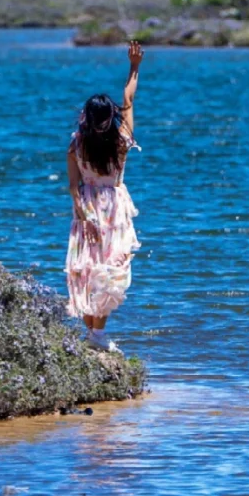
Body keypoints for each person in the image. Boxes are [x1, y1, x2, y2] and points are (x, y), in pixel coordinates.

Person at [65, 40, 144, 348]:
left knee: (86, 266)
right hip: (113, 206)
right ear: (109, 117)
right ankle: (98, 335)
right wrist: (134, 66)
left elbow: (73, 185)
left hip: (86, 205)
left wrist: (84, 216)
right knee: (111, 267)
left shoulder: (76, 143)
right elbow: (128, 97)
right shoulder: (122, 139)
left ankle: (91, 334)